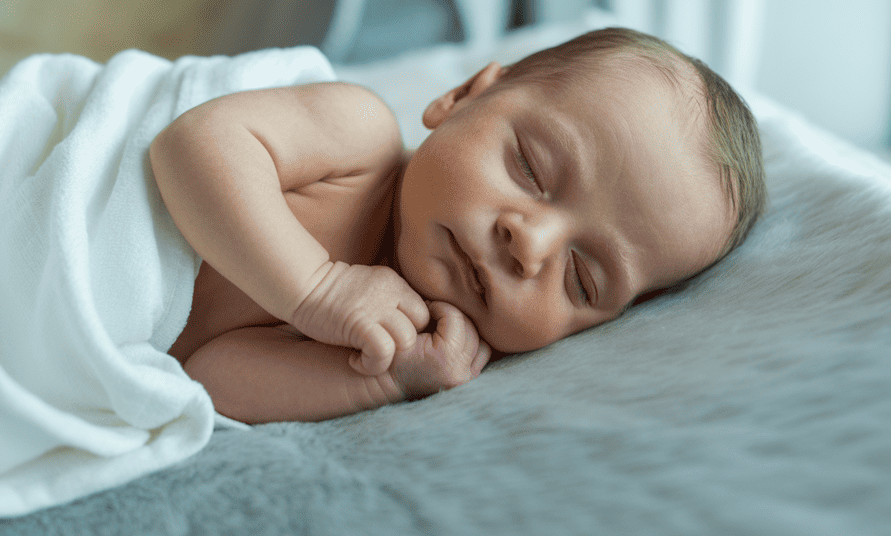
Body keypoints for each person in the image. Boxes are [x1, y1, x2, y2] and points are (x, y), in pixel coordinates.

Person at [150, 27, 766, 424]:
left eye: (582, 279)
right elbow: (196, 145)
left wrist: (384, 378)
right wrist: (318, 289)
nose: (531, 244)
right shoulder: (358, 138)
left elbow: (207, 379)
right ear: (464, 96)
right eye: (530, 167)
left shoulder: (394, 324)